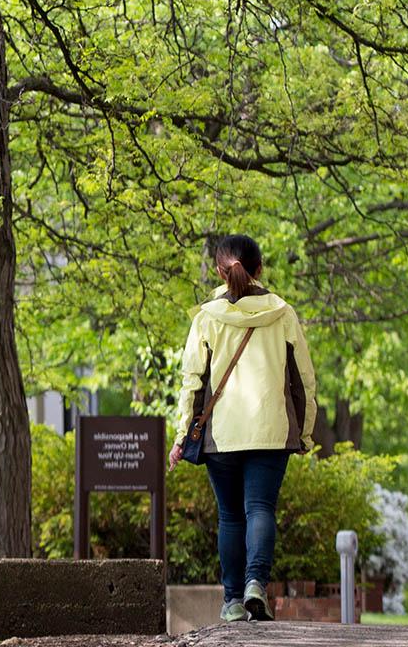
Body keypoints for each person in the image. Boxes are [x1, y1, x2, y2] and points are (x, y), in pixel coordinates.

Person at [167, 233, 317, 623]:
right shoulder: (283, 313)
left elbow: (192, 383)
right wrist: (304, 431)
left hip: (223, 436)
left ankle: (233, 601)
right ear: (259, 269)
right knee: (260, 508)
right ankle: (256, 584)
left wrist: (182, 435)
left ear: (219, 270)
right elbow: (304, 381)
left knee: (231, 516)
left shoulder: (206, 319)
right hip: (272, 430)